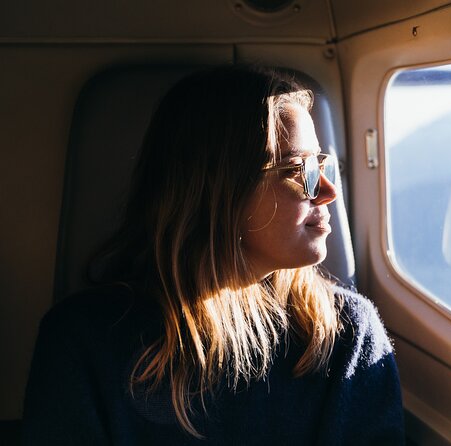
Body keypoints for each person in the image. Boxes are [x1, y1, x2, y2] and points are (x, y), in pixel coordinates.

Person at [22, 65, 404, 445]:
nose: (326, 192)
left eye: (321, 166)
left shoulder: (347, 333)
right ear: (217, 189)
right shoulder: (82, 341)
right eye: (296, 169)